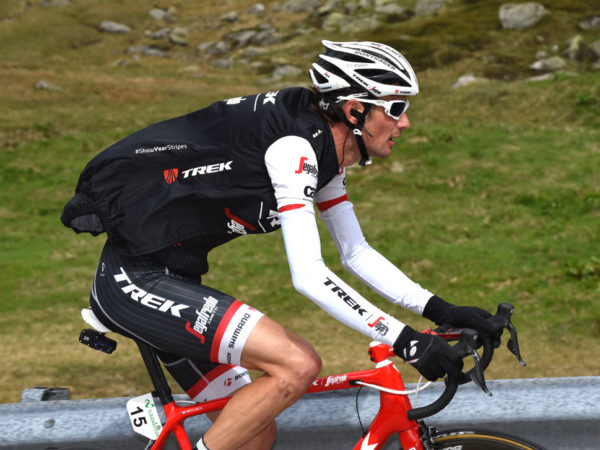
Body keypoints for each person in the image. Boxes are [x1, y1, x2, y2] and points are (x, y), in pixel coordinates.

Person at [62, 40, 499, 450]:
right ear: (354, 110)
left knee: (253, 436)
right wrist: (403, 339)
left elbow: (355, 252)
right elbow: (308, 275)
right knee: (297, 364)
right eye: (396, 108)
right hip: (136, 282)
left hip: (174, 277)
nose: (405, 123)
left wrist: (439, 309)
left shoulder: (327, 156)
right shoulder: (294, 151)